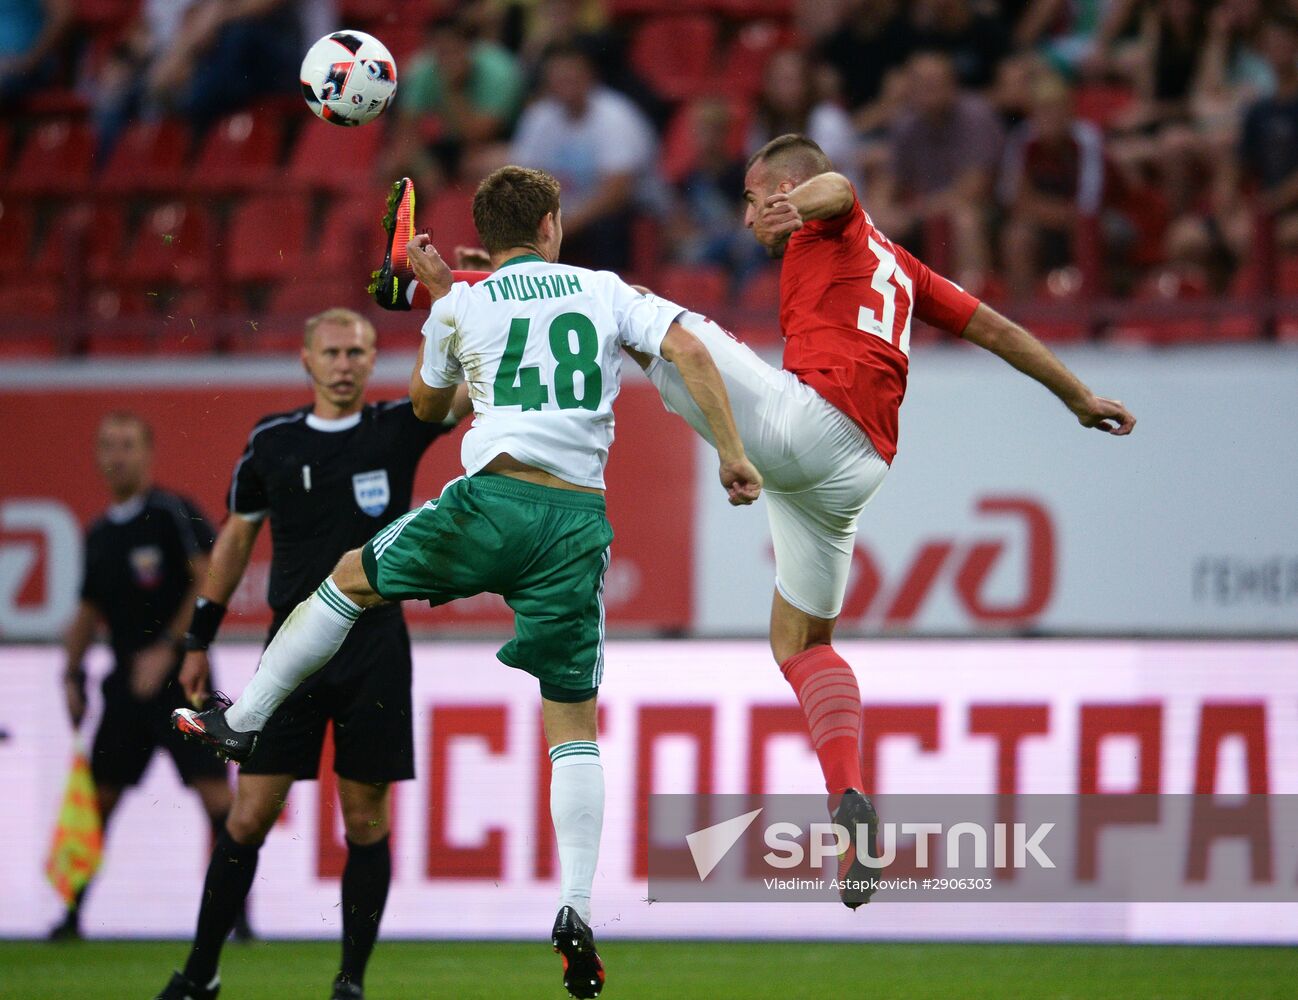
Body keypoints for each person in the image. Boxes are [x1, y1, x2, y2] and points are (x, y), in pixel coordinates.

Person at [173, 165, 762, 999]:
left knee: (349, 579)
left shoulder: (463, 304)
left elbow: (425, 401)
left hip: (489, 503)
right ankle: (576, 906)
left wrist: (448, 298)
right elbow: (692, 350)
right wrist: (733, 456)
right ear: (554, 223)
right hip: (573, 526)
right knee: (573, 725)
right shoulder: (602, 288)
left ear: (486, 225)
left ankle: (248, 718)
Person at [635, 134, 1135, 908]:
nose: (746, 215)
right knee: (801, 641)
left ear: (787, 185)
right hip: (854, 469)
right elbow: (996, 330)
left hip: (811, 421)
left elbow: (835, 190)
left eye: (752, 195)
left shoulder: (829, 216)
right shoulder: (907, 268)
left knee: (651, 322)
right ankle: (850, 803)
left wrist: (793, 207)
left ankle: (491, 285)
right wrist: (1077, 396)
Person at [154, 308, 468, 1000]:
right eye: (332, 351)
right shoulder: (272, 441)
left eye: (358, 351)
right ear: (306, 360)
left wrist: (474, 305)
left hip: (375, 651)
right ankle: (200, 973)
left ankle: (350, 983)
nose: (346, 363)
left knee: (365, 819)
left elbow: (470, 391)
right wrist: (199, 636)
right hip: (290, 656)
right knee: (248, 816)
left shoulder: (397, 426)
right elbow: (235, 539)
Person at [54, 412, 234, 940]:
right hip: (127, 685)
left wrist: (167, 649)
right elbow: (87, 610)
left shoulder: (172, 511)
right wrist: (70, 674)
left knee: (217, 801)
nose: (117, 456)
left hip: (183, 679)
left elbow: (207, 578)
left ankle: (237, 918)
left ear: (148, 453)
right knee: (99, 800)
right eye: (108, 445)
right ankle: (71, 915)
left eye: (127, 445)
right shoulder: (99, 533)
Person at [509, 45, 658, 271]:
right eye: (559, 79)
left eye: (572, 78)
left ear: (590, 77)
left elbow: (617, 192)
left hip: (625, 210)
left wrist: (562, 227)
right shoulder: (539, 117)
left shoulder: (616, 116)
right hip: (563, 214)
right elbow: (524, 179)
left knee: (609, 227)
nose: (566, 85)